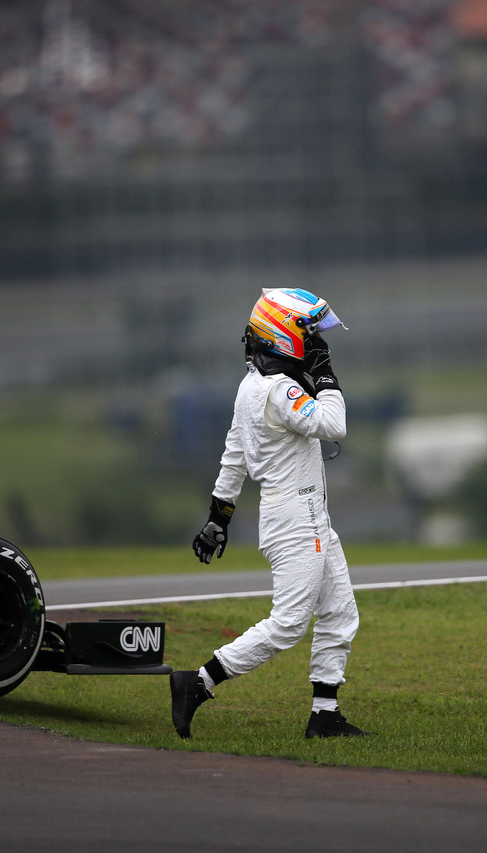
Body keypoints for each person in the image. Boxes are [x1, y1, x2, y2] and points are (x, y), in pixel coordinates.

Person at [172, 288, 367, 739]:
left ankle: (324, 715)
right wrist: (327, 375)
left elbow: (234, 455)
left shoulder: (250, 386)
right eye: (312, 335)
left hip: (298, 516)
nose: (319, 344)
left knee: (340, 612)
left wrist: (218, 517)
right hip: (298, 520)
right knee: (289, 624)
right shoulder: (280, 391)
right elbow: (335, 424)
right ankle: (197, 683)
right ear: (284, 335)